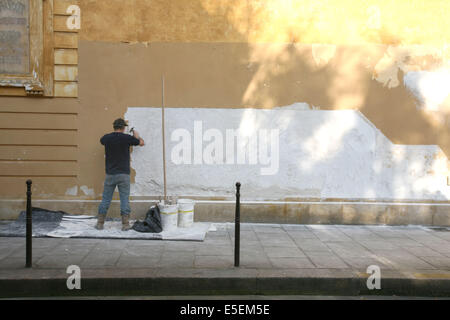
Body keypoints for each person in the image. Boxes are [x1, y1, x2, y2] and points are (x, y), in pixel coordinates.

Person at [96, 118, 145, 231]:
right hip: (123, 174)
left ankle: (100, 223)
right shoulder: (127, 138)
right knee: (124, 199)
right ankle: (125, 224)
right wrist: (136, 135)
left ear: (114, 127)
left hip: (110, 174)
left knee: (106, 199)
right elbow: (141, 143)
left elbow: (102, 141)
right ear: (123, 128)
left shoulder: (106, 138)